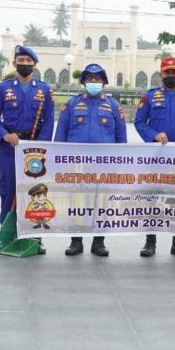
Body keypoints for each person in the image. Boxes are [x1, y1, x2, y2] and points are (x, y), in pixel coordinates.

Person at [0, 45, 54, 255]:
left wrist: (39, 146)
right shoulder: (3, 88)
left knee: (35, 194)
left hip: (35, 151)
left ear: (34, 64)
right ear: (14, 63)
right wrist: (4, 135)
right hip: (10, 148)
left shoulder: (44, 90)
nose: (24, 64)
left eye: (28, 61)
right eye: (21, 61)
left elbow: (49, 121)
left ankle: (35, 237)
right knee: (8, 192)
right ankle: (8, 236)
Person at [54, 63, 127, 256]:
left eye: (97, 79)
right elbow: (60, 135)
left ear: (103, 82)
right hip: (76, 164)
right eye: (90, 79)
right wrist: (57, 160)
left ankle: (99, 242)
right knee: (76, 201)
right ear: (84, 82)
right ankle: (76, 241)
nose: (93, 82)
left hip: (104, 165)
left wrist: (120, 162)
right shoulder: (71, 104)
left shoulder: (113, 106)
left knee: (101, 201)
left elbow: (121, 138)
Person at [134, 57, 175, 258]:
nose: (171, 76)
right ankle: (150, 242)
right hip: (157, 156)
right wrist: (153, 135)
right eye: (167, 72)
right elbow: (139, 122)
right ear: (161, 74)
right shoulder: (150, 96)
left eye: (174, 72)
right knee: (153, 197)